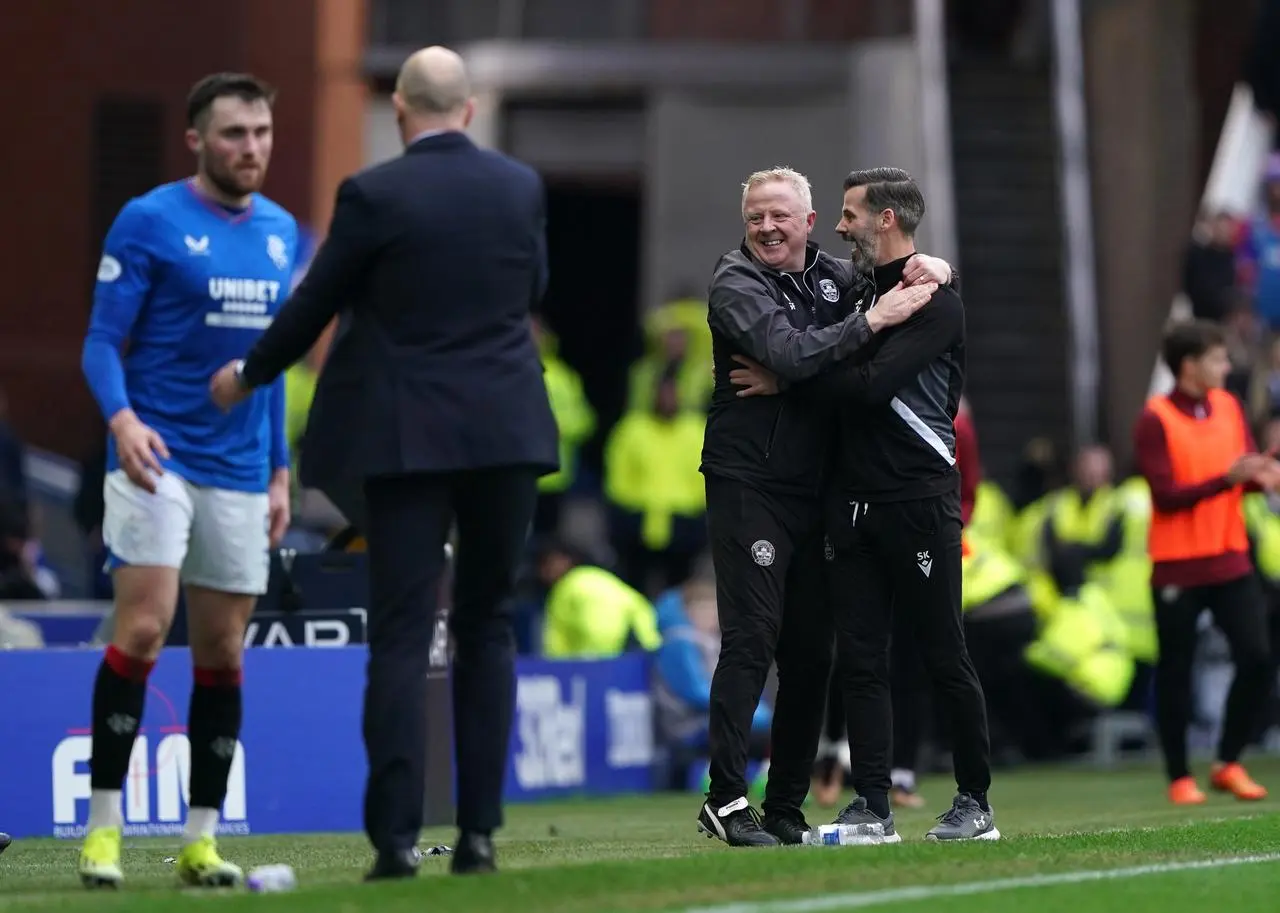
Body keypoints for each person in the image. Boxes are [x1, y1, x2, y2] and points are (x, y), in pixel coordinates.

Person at [209, 46, 558, 879]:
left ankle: (397, 839)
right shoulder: (520, 187)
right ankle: (477, 834)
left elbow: (316, 300)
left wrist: (249, 372)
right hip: (507, 431)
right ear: (468, 109)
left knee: (401, 634)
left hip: (409, 438)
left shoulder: (374, 193)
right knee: (488, 625)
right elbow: (532, 285)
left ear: (400, 109)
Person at [731, 167, 997, 842]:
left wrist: (784, 380)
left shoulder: (935, 304)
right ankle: (872, 804)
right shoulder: (856, 295)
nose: (841, 225)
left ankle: (975, 801)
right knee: (861, 659)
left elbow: (871, 386)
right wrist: (799, 364)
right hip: (852, 504)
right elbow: (822, 354)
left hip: (919, 498)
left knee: (943, 653)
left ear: (886, 219)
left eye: (850, 214)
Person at [76, 72, 293, 889]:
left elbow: (268, 370)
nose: (252, 148)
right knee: (141, 629)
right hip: (154, 457)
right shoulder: (149, 219)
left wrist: (280, 471)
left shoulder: (279, 233)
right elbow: (101, 342)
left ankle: (200, 840)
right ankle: (103, 830)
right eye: (236, 133)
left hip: (240, 472)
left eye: (263, 132)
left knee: (223, 648)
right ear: (197, 141)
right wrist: (122, 420)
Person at [1133, 319, 1280, 804]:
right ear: (1190, 365)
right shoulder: (1155, 419)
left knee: (1257, 658)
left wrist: (1264, 476)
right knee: (1177, 668)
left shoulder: (1229, 406)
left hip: (1230, 557)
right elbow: (1166, 495)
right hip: (1178, 566)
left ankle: (1228, 761)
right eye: (1217, 358)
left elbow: (1241, 474)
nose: (1227, 366)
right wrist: (1228, 477)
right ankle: (1179, 775)